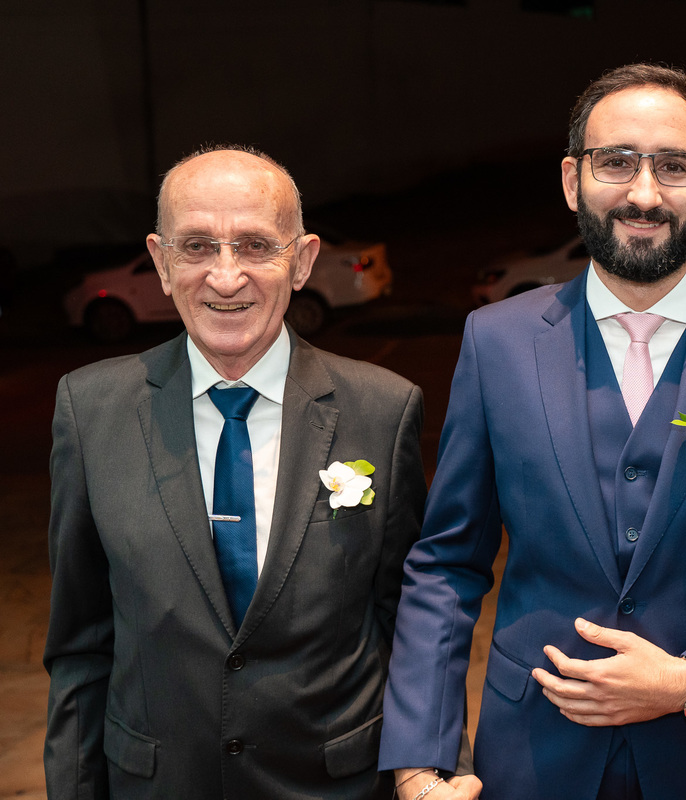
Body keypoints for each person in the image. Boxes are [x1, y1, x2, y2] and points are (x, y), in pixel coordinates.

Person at [377, 63, 686, 800]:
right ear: (572, 179)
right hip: (530, 759)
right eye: (616, 162)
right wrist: (420, 764)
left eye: (673, 166)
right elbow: (447, 565)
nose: (644, 194)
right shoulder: (497, 341)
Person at [43, 145, 450, 799]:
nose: (226, 277)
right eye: (197, 247)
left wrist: (429, 768)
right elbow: (80, 646)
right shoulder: (89, 411)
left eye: (255, 246)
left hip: (334, 786)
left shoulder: (383, 409)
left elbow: (413, 619)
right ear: (161, 262)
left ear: (303, 261)